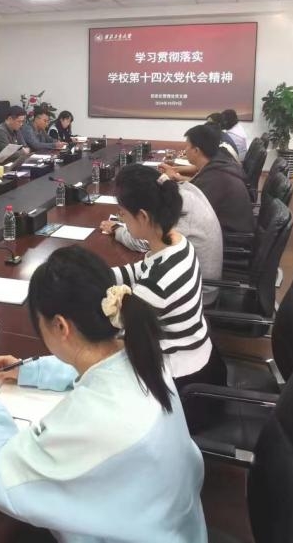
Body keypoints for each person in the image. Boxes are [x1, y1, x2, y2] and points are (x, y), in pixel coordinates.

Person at [0, 246, 207, 542]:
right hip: (176, 523)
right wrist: (30, 371)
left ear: (60, 326)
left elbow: (7, 477)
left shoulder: (93, 419)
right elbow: (99, 366)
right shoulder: (143, 353)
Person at [108, 166, 226, 412]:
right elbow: (141, 269)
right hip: (204, 363)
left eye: (123, 214)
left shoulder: (154, 289)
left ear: (142, 216)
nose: (121, 220)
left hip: (185, 392)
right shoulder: (177, 243)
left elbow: (121, 344)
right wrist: (100, 276)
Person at [100, 176, 223, 282]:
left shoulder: (178, 212)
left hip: (203, 286)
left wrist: (116, 228)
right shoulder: (184, 192)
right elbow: (144, 267)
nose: (121, 217)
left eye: (122, 213)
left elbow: (142, 244)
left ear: (143, 216)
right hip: (192, 278)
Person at [160, 124, 254, 237]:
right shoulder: (219, 165)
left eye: (187, 146)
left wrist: (165, 181)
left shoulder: (217, 177)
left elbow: (186, 207)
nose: (185, 150)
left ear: (196, 150)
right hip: (229, 230)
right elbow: (197, 183)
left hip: (230, 239)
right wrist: (176, 177)